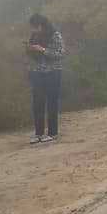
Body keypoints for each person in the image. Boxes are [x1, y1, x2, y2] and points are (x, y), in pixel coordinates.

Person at [26, 14, 65, 145]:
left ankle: (52, 133)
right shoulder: (34, 36)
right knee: (37, 103)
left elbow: (60, 54)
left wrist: (42, 49)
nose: (33, 30)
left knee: (52, 102)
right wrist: (30, 49)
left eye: (35, 27)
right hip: (37, 72)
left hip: (53, 72)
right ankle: (39, 133)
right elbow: (31, 54)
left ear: (41, 25)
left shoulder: (55, 35)